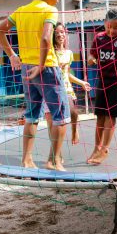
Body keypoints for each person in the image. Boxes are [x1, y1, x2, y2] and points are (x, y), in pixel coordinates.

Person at [0, 0, 70, 171]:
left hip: (27, 67)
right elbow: (45, 38)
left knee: (32, 115)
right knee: (61, 117)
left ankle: (26, 160)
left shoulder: (21, 11)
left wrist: (12, 55)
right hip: (47, 68)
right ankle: (54, 161)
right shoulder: (50, 10)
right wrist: (42, 65)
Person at [87, 9, 117, 165]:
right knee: (100, 116)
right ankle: (97, 148)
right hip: (102, 82)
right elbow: (92, 54)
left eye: (116, 27)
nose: (112, 30)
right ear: (105, 24)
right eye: (109, 26)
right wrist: (91, 59)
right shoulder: (99, 38)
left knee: (110, 116)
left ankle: (105, 149)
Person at [42, 23, 91, 166]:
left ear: (65, 33)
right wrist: (56, 68)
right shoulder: (50, 52)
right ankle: (56, 155)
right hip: (50, 88)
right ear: (53, 35)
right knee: (52, 124)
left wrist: (81, 82)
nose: (60, 35)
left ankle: (75, 130)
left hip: (65, 88)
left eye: (62, 32)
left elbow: (67, 73)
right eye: (57, 32)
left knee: (73, 111)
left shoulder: (69, 53)